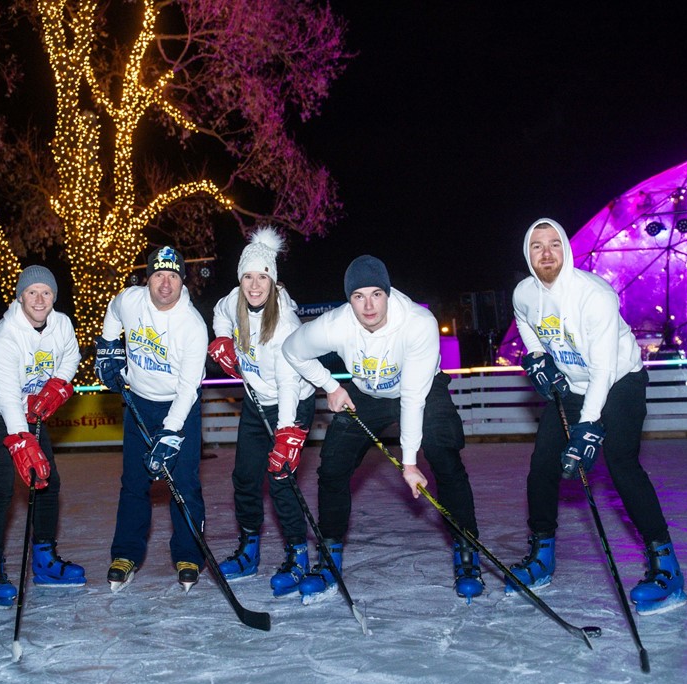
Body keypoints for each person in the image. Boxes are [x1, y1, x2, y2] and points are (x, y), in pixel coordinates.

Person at [508, 217, 687, 615]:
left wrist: (588, 426)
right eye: (537, 246)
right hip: (573, 386)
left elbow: (603, 369)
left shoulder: (594, 296)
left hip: (619, 381)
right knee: (542, 465)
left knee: (621, 463)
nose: (546, 253)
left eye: (554, 244)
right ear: (528, 253)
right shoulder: (524, 293)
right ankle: (542, 557)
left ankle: (666, 567)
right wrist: (536, 355)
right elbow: (524, 321)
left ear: (566, 248)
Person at [282, 255, 485, 602]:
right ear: (349, 300)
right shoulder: (335, 324)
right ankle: (329, 557)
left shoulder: (418, 323)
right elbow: (292, 349)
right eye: (358, 296)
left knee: (443, 453)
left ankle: (467, 553)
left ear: (388, 293)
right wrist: (330, 385)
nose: (368, 306)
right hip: (366, 392)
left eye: (376, 294)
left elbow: (412, 397)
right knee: (332, 466)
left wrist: (409, 463)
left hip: (421, 388)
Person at [0, 265, 85, 608]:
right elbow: (6, 398)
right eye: (32, 292)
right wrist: (22, 441)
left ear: (54, 297)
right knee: (0, 488)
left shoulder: (62, 325)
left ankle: (45, 562)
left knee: (47, 481)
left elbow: (72, 356)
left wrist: (56, 385)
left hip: (28, 409)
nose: (39, 299)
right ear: (20, 297)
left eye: (46, 292)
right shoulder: (3, 338)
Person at [208, 227, 317, 596]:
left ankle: (298, 554)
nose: (254, 286)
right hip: (257, 401)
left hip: (292, 402)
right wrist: (223, 339)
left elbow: (288, 384)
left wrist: (286, 436)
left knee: (280, 478)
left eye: (262, 277)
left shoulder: (285, 325)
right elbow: (219, 312)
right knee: (244, 477)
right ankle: (249, 549)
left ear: (273, 280)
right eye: (248, 277)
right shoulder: (234, 300)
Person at [95, 246, 209, 593]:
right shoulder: (131, 300)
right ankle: (125, 554)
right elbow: (113, 310)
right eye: (159, 275)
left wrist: (170, 433)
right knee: (134, 482)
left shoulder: (192, 326)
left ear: (182, 281)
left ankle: (188, 555)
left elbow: (188, 389)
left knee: (184, 484)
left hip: (180, 407)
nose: (165, 284)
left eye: (172, 276)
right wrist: (108, 347)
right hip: (139, 403)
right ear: (148, 278)